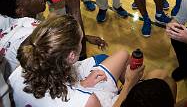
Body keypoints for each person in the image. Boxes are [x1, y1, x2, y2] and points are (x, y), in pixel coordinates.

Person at [8, 15, 138, 106]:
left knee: (122, 54)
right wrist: (128, 85)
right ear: (72, 56)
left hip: (73, 87)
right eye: (81, 40)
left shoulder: (18, 72)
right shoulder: (86, 101)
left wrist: (82, 84)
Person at [0, 0, 107, 79]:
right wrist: (74, 10)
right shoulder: (32, 34)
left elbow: (51, 40)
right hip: (45, 86)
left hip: (27, 82)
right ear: (20, 10)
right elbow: (78, 55)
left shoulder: (13, 26)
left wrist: (86, 38)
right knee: (105, 60)